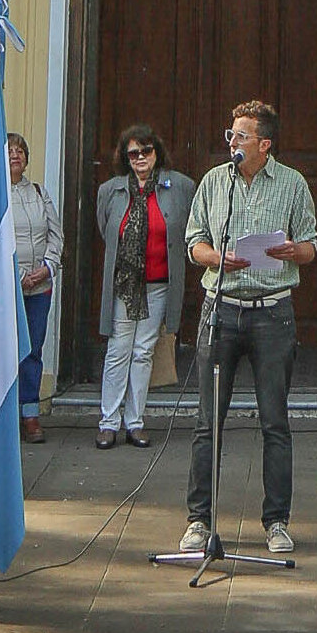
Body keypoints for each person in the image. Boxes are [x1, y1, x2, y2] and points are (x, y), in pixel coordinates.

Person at [181, 100, 317, 556]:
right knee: (207, 422)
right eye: (230, 136)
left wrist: (292, 253)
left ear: (264, 144)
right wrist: (217, 258)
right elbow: (194, 241)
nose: (233, 143)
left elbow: (311, 247)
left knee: (274, 421)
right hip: (220, 308)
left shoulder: (293, 184)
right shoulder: (215, 183)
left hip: (272, 313)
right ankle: (199, 521)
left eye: (241, 137)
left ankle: (276, 520)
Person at [94, 124, 192, 449]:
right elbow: (105, 230)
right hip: (125, 284)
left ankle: (135, 423)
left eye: (146, 151)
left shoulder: (179, 186)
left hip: (159, 284)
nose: (140, 158)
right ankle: (108, 422)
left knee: (143, 352)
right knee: (118, 351)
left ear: (156, 152)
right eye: (133, 152)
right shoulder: (110, 191)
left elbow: (187, 229)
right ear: (125, 156)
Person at [6, 131, 62, 443]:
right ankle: (4, 417)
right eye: (10, 151)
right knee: (5, 352)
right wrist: (15, 276)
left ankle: (30, 414)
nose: (16, 155)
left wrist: (46, 268)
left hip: (39, 288)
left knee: (33, 350)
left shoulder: (39, 192)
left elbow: (56, 236)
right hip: (7, 289)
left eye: (21, 151)